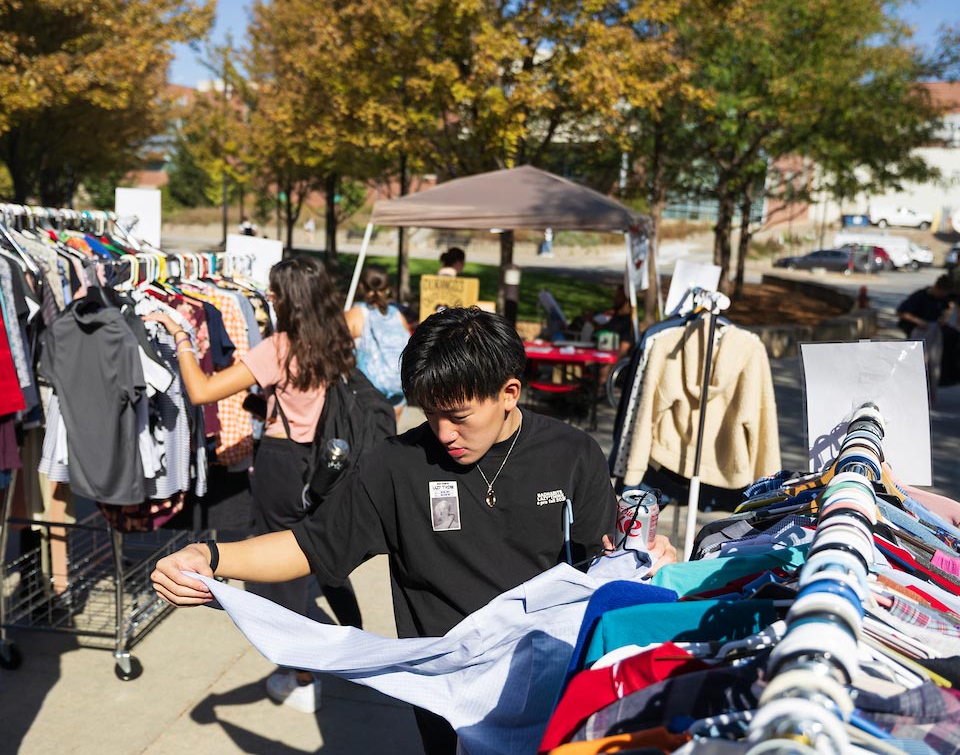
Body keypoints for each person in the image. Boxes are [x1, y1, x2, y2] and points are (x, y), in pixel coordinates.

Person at [151, 307, 677, 754]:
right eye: (430, 414)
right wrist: (212, 557)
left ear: (509, 393)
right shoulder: (394, 465)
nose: (444, 433)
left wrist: (650, 561)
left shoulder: (572, 454)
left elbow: (605, 564)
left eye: (459, 416)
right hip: (445, 691)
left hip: (549, 681)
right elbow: (310, 545)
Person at [144, 256, 363, 713]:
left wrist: (181, 335)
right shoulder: (335, 338)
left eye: (274, 293)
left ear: (286, 298)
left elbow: (203, 390)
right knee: (311, 554)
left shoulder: (280, 346)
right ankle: (334, 647)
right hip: (320, 460)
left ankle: (303, 676)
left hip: (281, 465)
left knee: (279, 579)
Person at [345, 265, 411, 421]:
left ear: (362, 286)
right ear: (387, 289)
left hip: (365, 394)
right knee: (389, 433)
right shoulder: (398, 316)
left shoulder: (355, 315)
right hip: (397, 391)